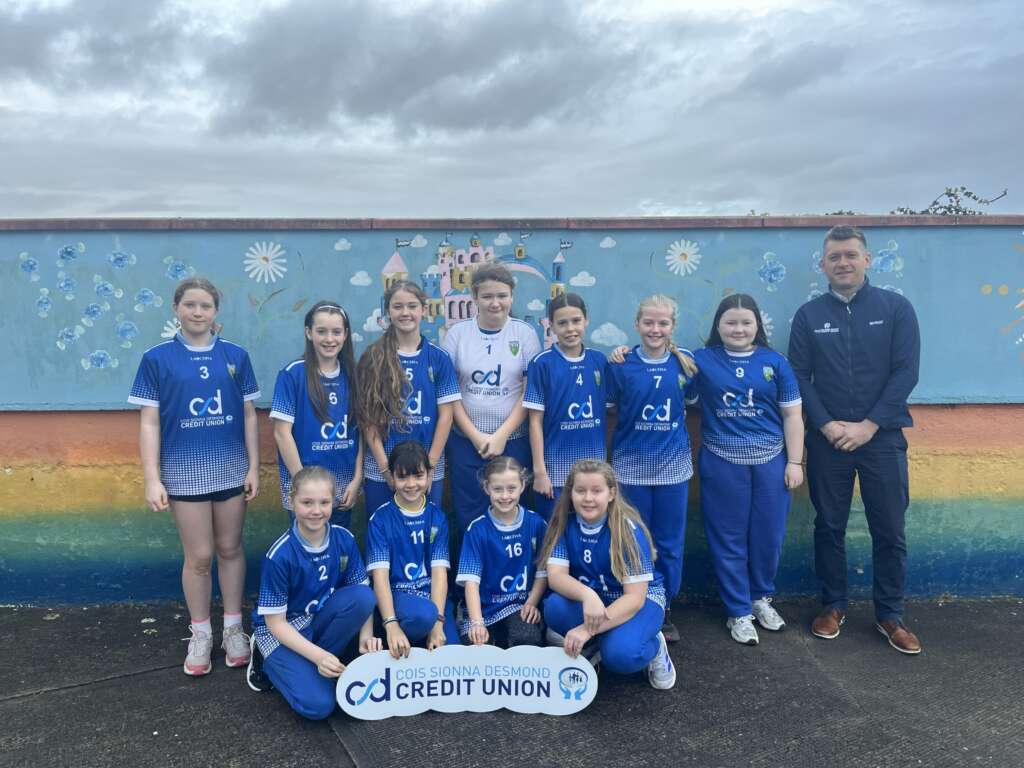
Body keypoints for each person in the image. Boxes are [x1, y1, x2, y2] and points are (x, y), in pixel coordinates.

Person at [788, 225, 922, 654]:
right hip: (828, 441)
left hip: (882, 439)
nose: (842, 263)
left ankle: (890, 615)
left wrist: (869, 425)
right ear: (823, 265)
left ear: (867, 259)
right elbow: (799, 377)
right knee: (829, 526)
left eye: (850, 255)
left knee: (890, 528)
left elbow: (906, 372)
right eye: (834, 257)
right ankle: (833, 606)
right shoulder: (809, 315)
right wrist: (826, 425)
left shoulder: (896, 308)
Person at [128, 277, 260, 676]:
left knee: (230, 548)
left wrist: (253, 466)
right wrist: (152, 478)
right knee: (199, 556)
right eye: (190, 305)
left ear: (215, 311)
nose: (197, 312)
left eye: (205, 306)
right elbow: (149, 422)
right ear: (176, 308)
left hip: (230, 468)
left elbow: (249, 415)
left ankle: (233, 629)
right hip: (184, 474)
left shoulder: (235, 355)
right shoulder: (157, 358)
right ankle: (200, 633)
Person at [689, 293, 804, 646]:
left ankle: (760, 598)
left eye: (746, 322)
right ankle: (738, 610)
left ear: (757, 325)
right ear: (718, 325)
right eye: (730, 322)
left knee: (768, 535)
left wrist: (795, 461)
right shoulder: (701, 360)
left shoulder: (775, 362)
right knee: (728, 537)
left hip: (771, 461)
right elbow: (663, 363)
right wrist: (623, 354)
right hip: (721, 460)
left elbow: (792, 415)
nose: (738, 329)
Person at [245, 466, 380, 720]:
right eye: (307, 502)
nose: (316, 510)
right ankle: (265, 659)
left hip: (317, 618)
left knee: (363, 597)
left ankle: (311, 663)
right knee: (319, 706)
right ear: (291, 500)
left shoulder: (344, 538)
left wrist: (366, 636)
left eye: (324, 502)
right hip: (282, 629)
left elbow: (362, 590)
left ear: (333, 503)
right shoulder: (280, 555)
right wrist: (319, 656)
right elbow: (276, 623)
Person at [606, 294, 699, 643]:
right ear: (637, 324)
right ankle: (634, 605)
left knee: (669, 544)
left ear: (672, 326)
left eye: (663, 323)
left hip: (673, 470)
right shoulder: (621, 364)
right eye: (648, 322)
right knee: (633, 541)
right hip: (630, 470)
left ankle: (665, 607)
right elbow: (611, 407)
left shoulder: (685, 363)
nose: (655, 329)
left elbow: (691, 403)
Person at [539, 460, 676, 690]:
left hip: (638, 602)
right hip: (597, 599)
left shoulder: (626, 530)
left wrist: (586, 629)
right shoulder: (564, 524)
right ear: (570, 493)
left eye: (597, 491)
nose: (588, 498)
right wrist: (588, 595)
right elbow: (556, 577)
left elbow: (634, 599)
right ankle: (596, 643)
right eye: (580, 490)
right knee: (555, 607)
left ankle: (654, 647)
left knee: (620, 655)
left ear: (611, 494)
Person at [443, 262, 542, 532]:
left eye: (502, 295)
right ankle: (471, 561)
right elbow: (450, 393)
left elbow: (529, 392)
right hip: (466, 443)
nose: (495, 303)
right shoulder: (457, 334)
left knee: (513, 512)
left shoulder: (524, 333)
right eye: (487, 296)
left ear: (512, 297)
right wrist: (476, 435)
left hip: (513, 441)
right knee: (470, 516)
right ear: (475, 298)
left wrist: (501, 435)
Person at [357, 280, 460, 515]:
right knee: (384, 529)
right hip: (381, 468)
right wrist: (385, 469)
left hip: (425, 469)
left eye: (412, 306)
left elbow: (446, 416)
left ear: (424, 309)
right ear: (388, 311)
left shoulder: (439, 358)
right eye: (397, 306)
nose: (405, 312)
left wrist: (430, 466)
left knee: (425, 529)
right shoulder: (373, 357)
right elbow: (368, 419)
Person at [270, 301, 363, 529]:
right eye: (321, 331)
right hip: (304, 492)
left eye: (336, 332)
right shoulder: (292, 374)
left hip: (342, 488)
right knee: (307, 546)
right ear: (309, 332)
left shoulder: (354, 375)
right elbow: (282, 433)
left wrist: (357, 478)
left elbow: (361, 432)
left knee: (337, 545)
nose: (329, 339)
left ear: (345, 335)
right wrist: (303, 485)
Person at [366, 440, 460, 657]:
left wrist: (438, 622)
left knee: (452, 653)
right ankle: (395, 637)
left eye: (418, 476)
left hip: (432, 598)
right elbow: (380, 577)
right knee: (423, 615)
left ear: (428, 475)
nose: (411, 484)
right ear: (392, 478)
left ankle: (419, 639)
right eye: (402, 477)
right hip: (398, 598)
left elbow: (439, 573)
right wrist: (391, 623)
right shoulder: (380, 519)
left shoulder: (437, 517)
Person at [523, 293, 609, 521]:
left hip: (593, 473)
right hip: (555, 474)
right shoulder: (542, 364)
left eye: (576, 321)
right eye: (562, 323)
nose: (570, 329)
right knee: (555, 534)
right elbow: (534, 421)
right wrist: (540, 472)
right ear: (551, 325)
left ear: (586, 321)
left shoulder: (599, 361)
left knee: (589, 531)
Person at [456, 456, 548, 647]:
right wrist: (477, 623)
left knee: (527, 638)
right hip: (484, 608)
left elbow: (542, 571)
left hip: (519, 605)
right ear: (486, 488)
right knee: (477, 646)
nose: (505, 496)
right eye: (497, 489)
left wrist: (532, 603)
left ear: (522, 486)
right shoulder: (477, 529)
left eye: (511, 488)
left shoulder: (536, 523)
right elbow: (471, 581)